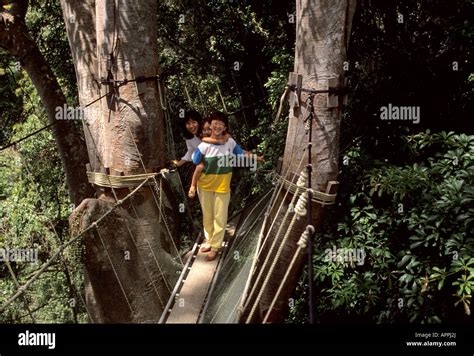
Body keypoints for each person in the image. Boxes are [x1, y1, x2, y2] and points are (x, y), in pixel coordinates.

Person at [192, 111, 256, 261]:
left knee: (220, 217)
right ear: (211, 124)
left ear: (225, 127)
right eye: (215, 122)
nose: (218, 125)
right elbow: (195, 160)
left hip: (222, 186)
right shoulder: (204, 144)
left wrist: (255, 158)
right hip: (205, 185)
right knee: (208, 216)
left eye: (221, 123)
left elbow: (240, 154)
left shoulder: (230, 142)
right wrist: (201, 148)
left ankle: (215, 247)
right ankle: (209, 240)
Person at [188, 117, 230, 198]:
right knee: (200, 167)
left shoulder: (224, 137)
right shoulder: (204, 141)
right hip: (204, 159)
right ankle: (193, 186)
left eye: (209, 129)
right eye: (204, 129)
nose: (206, 132)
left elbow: (226, 137)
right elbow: (196, 160)